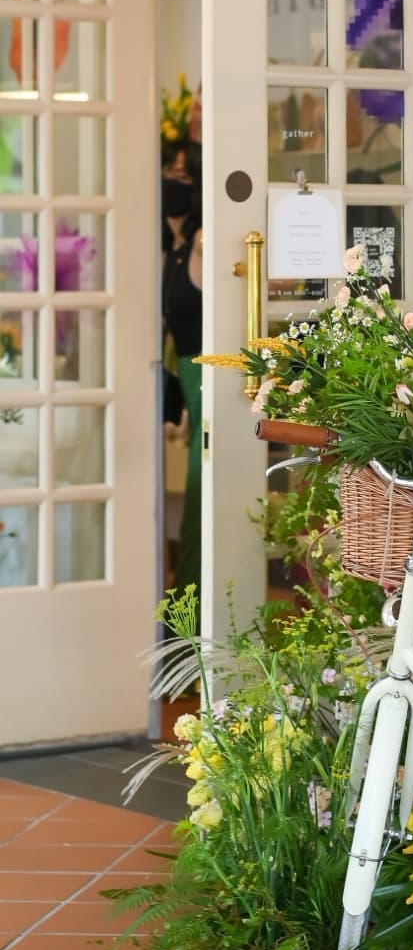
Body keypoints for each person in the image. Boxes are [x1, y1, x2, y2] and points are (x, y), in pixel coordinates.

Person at [160, 137, 203, 617]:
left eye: (184, 177)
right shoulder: (170, 248)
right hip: (188, 385)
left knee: (197, 507)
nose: (174, 186)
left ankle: (184, 627)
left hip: (206, 376)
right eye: (168, 175)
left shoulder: (199, 241)